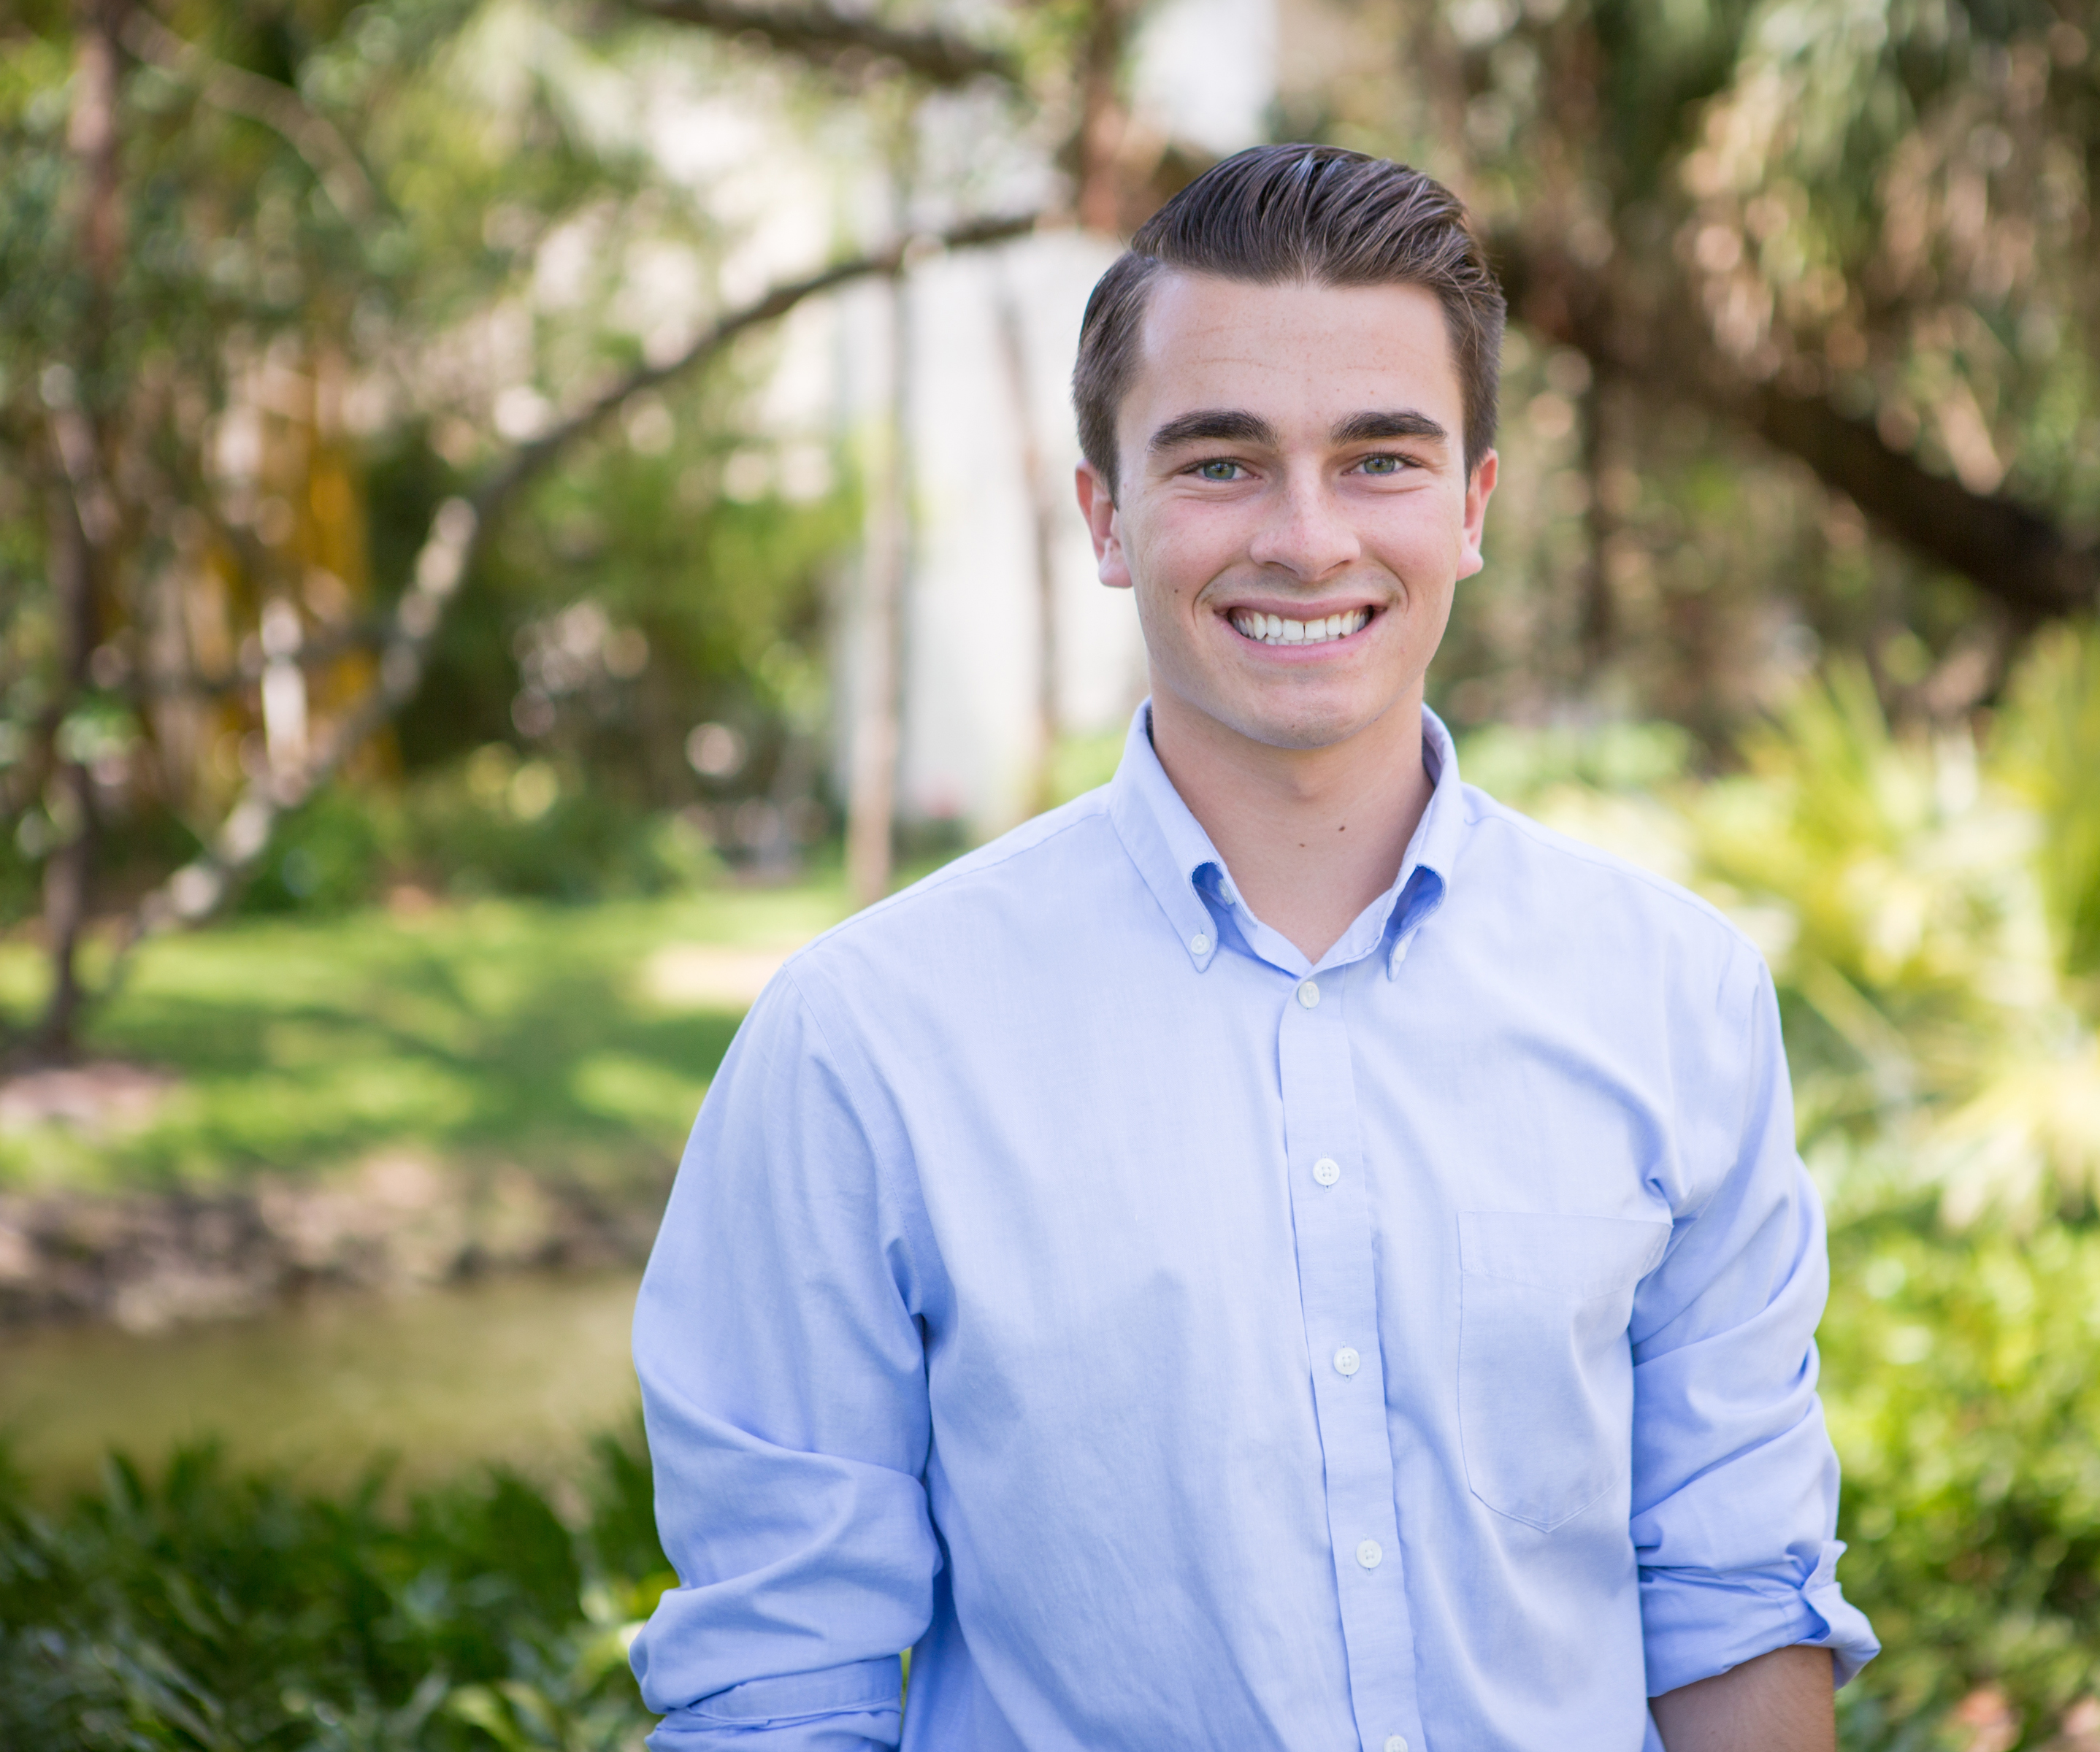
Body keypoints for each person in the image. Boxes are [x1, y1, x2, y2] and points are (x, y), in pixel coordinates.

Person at [629, 143, 1877, 1752]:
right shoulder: (860, 1048)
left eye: (1379, 461)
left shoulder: (1672, 996)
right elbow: (778, 1690)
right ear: (1105, 514)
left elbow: (1728, 1594)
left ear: (1472, 508)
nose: (1304, 538)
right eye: (1219, 463)